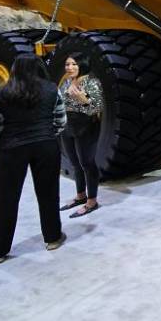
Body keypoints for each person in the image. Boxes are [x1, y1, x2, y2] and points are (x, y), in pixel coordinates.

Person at [0, 54, 67, 265]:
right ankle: (52, 238)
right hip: (45, 146)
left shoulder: (2, 93)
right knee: (48, 194)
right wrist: (47, 135)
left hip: (12, 150)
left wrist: (5, 142)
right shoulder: (52, 89)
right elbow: (60, 121)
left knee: (5, 200)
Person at [58, 53, 104, 218]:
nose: (69, 67)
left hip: (86, 126)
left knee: (87, 163)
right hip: (67, 126)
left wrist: (82, 99)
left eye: (74, 64)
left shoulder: (92, 82)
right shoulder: (65, 83)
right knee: (74, 163)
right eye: (67, 64)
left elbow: (97, 109)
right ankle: (80, 196)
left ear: (82, 65)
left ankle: (92, 201)